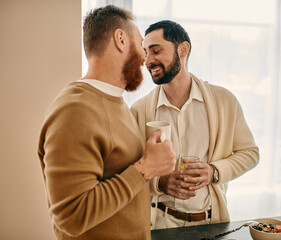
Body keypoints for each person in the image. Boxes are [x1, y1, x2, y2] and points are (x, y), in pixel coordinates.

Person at [37, 6, 176, 240]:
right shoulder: (75, 110)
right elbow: (72, 217)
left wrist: (155, 172)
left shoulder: (116, 101)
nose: (145, 58)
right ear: (120, 39)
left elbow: (120, 175)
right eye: (141, 46)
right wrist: (145, 168)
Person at [130, 20, 260, 229]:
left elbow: (250, 153)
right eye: (145, 53)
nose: (148, 61)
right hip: (159, 226)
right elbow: (128, 170)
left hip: (211, 223)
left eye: (156, 51)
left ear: (183, 50)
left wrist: (214, 171)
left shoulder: (224, 101)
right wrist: (159, 183)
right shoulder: (138, 110)